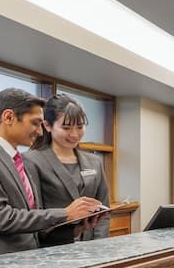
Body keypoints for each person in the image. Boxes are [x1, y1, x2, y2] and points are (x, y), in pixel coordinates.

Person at [0, 87, 104, 259]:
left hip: (28, 261)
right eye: (35, 123)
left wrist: (73, 228)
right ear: (8, 117)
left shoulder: (19, 161)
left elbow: (33, 226)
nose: (40, 131)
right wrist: (65, 214)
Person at [24, 94, 110, 246]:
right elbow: (35, 214)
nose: (74, 134)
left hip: (92, 247)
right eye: (66, 128)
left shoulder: (94, 162)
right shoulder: (32, 161)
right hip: (52, 247)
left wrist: (98, 245)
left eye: (80, 127)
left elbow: (104, 210)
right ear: (47, 126)